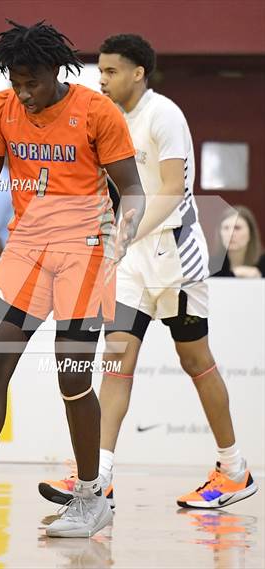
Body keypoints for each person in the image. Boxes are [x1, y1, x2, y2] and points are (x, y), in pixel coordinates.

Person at [0, 21, 145, 538]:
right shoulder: (1, 109)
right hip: (26, 248)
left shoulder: (97, 111)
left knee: (72, 376)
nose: (23, 94)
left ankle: (91, 499)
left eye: (33, 83)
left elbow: (131, 187)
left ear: (56, 73)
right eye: (15, 83)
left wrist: (129, 219)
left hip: (83, 250)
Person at [39, 34, 258, 510]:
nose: (101, 79)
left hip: (174, 254)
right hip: (132, 257)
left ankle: (234, 469)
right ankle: (100, 475)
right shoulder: (103, 115)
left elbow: (176, 189)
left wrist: (128, 232)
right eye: (99, 70)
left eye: (111, 71)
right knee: (116, 363)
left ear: (138, 73)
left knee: (196, 361)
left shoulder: (164, 115)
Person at [211, 205, 265, 278]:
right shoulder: (211, 266)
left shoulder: (263, 263)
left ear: (250, 234)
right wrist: (235, 273)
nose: (230, 234)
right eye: (226, 228)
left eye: (237, 228)